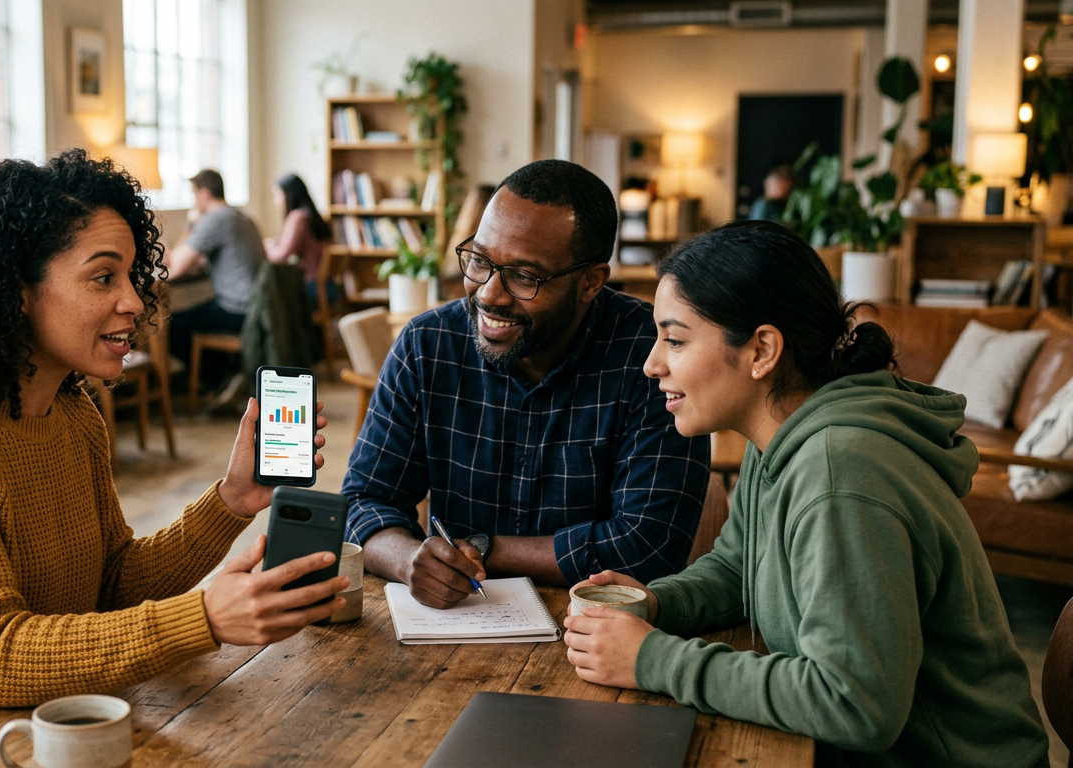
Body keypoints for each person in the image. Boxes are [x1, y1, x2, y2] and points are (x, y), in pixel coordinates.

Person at [0, 150, 348, 739]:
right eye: (104, 276)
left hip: (51, 723)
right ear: (18, 290)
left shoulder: (73, 411)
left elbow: (111, 584)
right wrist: (205, 617)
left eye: (131, 275)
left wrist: (229, 502)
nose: (134, 300)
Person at [562, 221, 1049, 766]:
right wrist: (656, 604)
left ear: (762, 350)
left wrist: (657, 660)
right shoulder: (779, 441)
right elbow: (734, 567)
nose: (653, 363)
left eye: (675, 339)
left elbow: (855, 703)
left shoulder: (841, 475)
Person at [343, 159, 711, 610]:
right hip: (458, 623)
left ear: (591, 282)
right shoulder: (428, 345)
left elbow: (649, 546)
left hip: (599, 628)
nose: (488, 294)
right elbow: (363, 501)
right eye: (479, 261)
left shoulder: (652, 359)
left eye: (523, 276)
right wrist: (408, 561)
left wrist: (484, 548)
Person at [165, 168, 266, 393]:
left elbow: (176, 266)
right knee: (195, 315)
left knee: (171, 324)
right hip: (258, 307)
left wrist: (190, 224)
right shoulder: (241, 216)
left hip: (237, 310)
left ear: (205, 193)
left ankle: (220, 380)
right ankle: (227, 376)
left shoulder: (214, 219)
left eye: (194, 195)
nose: (194, 201)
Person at [263, 173, 332, 303]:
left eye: (277, 195)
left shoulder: (298, 217)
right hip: (329, 288)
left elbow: (281, 256)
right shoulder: (312, 216)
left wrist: (264, 246)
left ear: (288, 194)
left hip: (311, 289)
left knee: (268, 299)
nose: (276, 201)